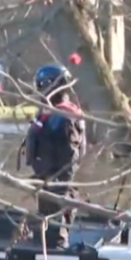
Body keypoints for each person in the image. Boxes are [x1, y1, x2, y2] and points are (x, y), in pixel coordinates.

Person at [23, 64, 87, 248]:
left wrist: (58, 185)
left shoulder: (63, 117)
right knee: (43, 231)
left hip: (57, 187)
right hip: (47, 182)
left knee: (55, 235)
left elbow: (71, 156)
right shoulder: (51, 113)